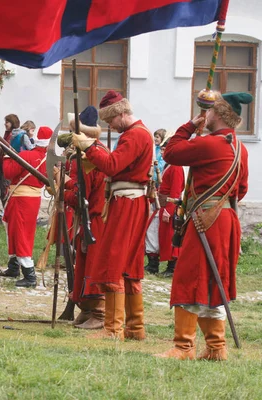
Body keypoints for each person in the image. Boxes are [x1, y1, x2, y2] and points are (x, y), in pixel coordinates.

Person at [155, 92, 249, 361]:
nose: (205, 115)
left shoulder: (210, 144)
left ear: (216, 114)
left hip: (207, 220)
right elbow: (240, 190)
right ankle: (216, 347)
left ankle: (184, 346)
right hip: (225, 220)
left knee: (190, 277)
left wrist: (189, 126)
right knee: (212, 281)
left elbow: (171, 152)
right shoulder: (239, 147)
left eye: (208, 111)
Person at [72, 91, 153, 340]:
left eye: (110, 121)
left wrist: (90, 146)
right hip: (128, 202)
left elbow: (112, 165)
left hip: (127, 204)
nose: (110, 126)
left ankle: (113, 329)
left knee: (115, 263)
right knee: (128, 266)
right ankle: (134, 328)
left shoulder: (135, 135)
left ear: (120, 114)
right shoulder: (136, 134)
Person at [61, 106, 108, 329]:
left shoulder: (90, 157)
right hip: (90, 217)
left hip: (96, 218)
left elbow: (82, 195)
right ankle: (88, 309)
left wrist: (63, 186)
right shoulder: (92, 151)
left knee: (93, 266)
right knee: (84, 263)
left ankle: (99, 312)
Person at [0, 126, 50, 287]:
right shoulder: (49, 159)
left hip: (20, 199)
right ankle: (14, 266)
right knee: (14, 229)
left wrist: (7, 155)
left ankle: (29, 274)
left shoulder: (26, 155)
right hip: (31, 200)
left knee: (20, 233)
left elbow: (8, 172)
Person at [144, 137, 185, 276]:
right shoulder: (169, 165)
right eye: (161, 149)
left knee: (171, 237)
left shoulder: (176, 167)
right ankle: (153, 264)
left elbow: (176, 191)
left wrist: (169, 210)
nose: (162, 152)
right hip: (162, 205)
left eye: (164, 149)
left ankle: (172, 268)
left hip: (169, 207)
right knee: (152, 233)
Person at [0, 114, 20, 206]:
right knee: (3, 191)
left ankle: (7, 214)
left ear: (13, 123)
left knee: (6, 192)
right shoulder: (8, 134)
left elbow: (12, 150)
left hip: (8, 167)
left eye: (7, 122)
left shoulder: (14, 135)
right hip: (3, 166)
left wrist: (1, 147)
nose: (5, 124)